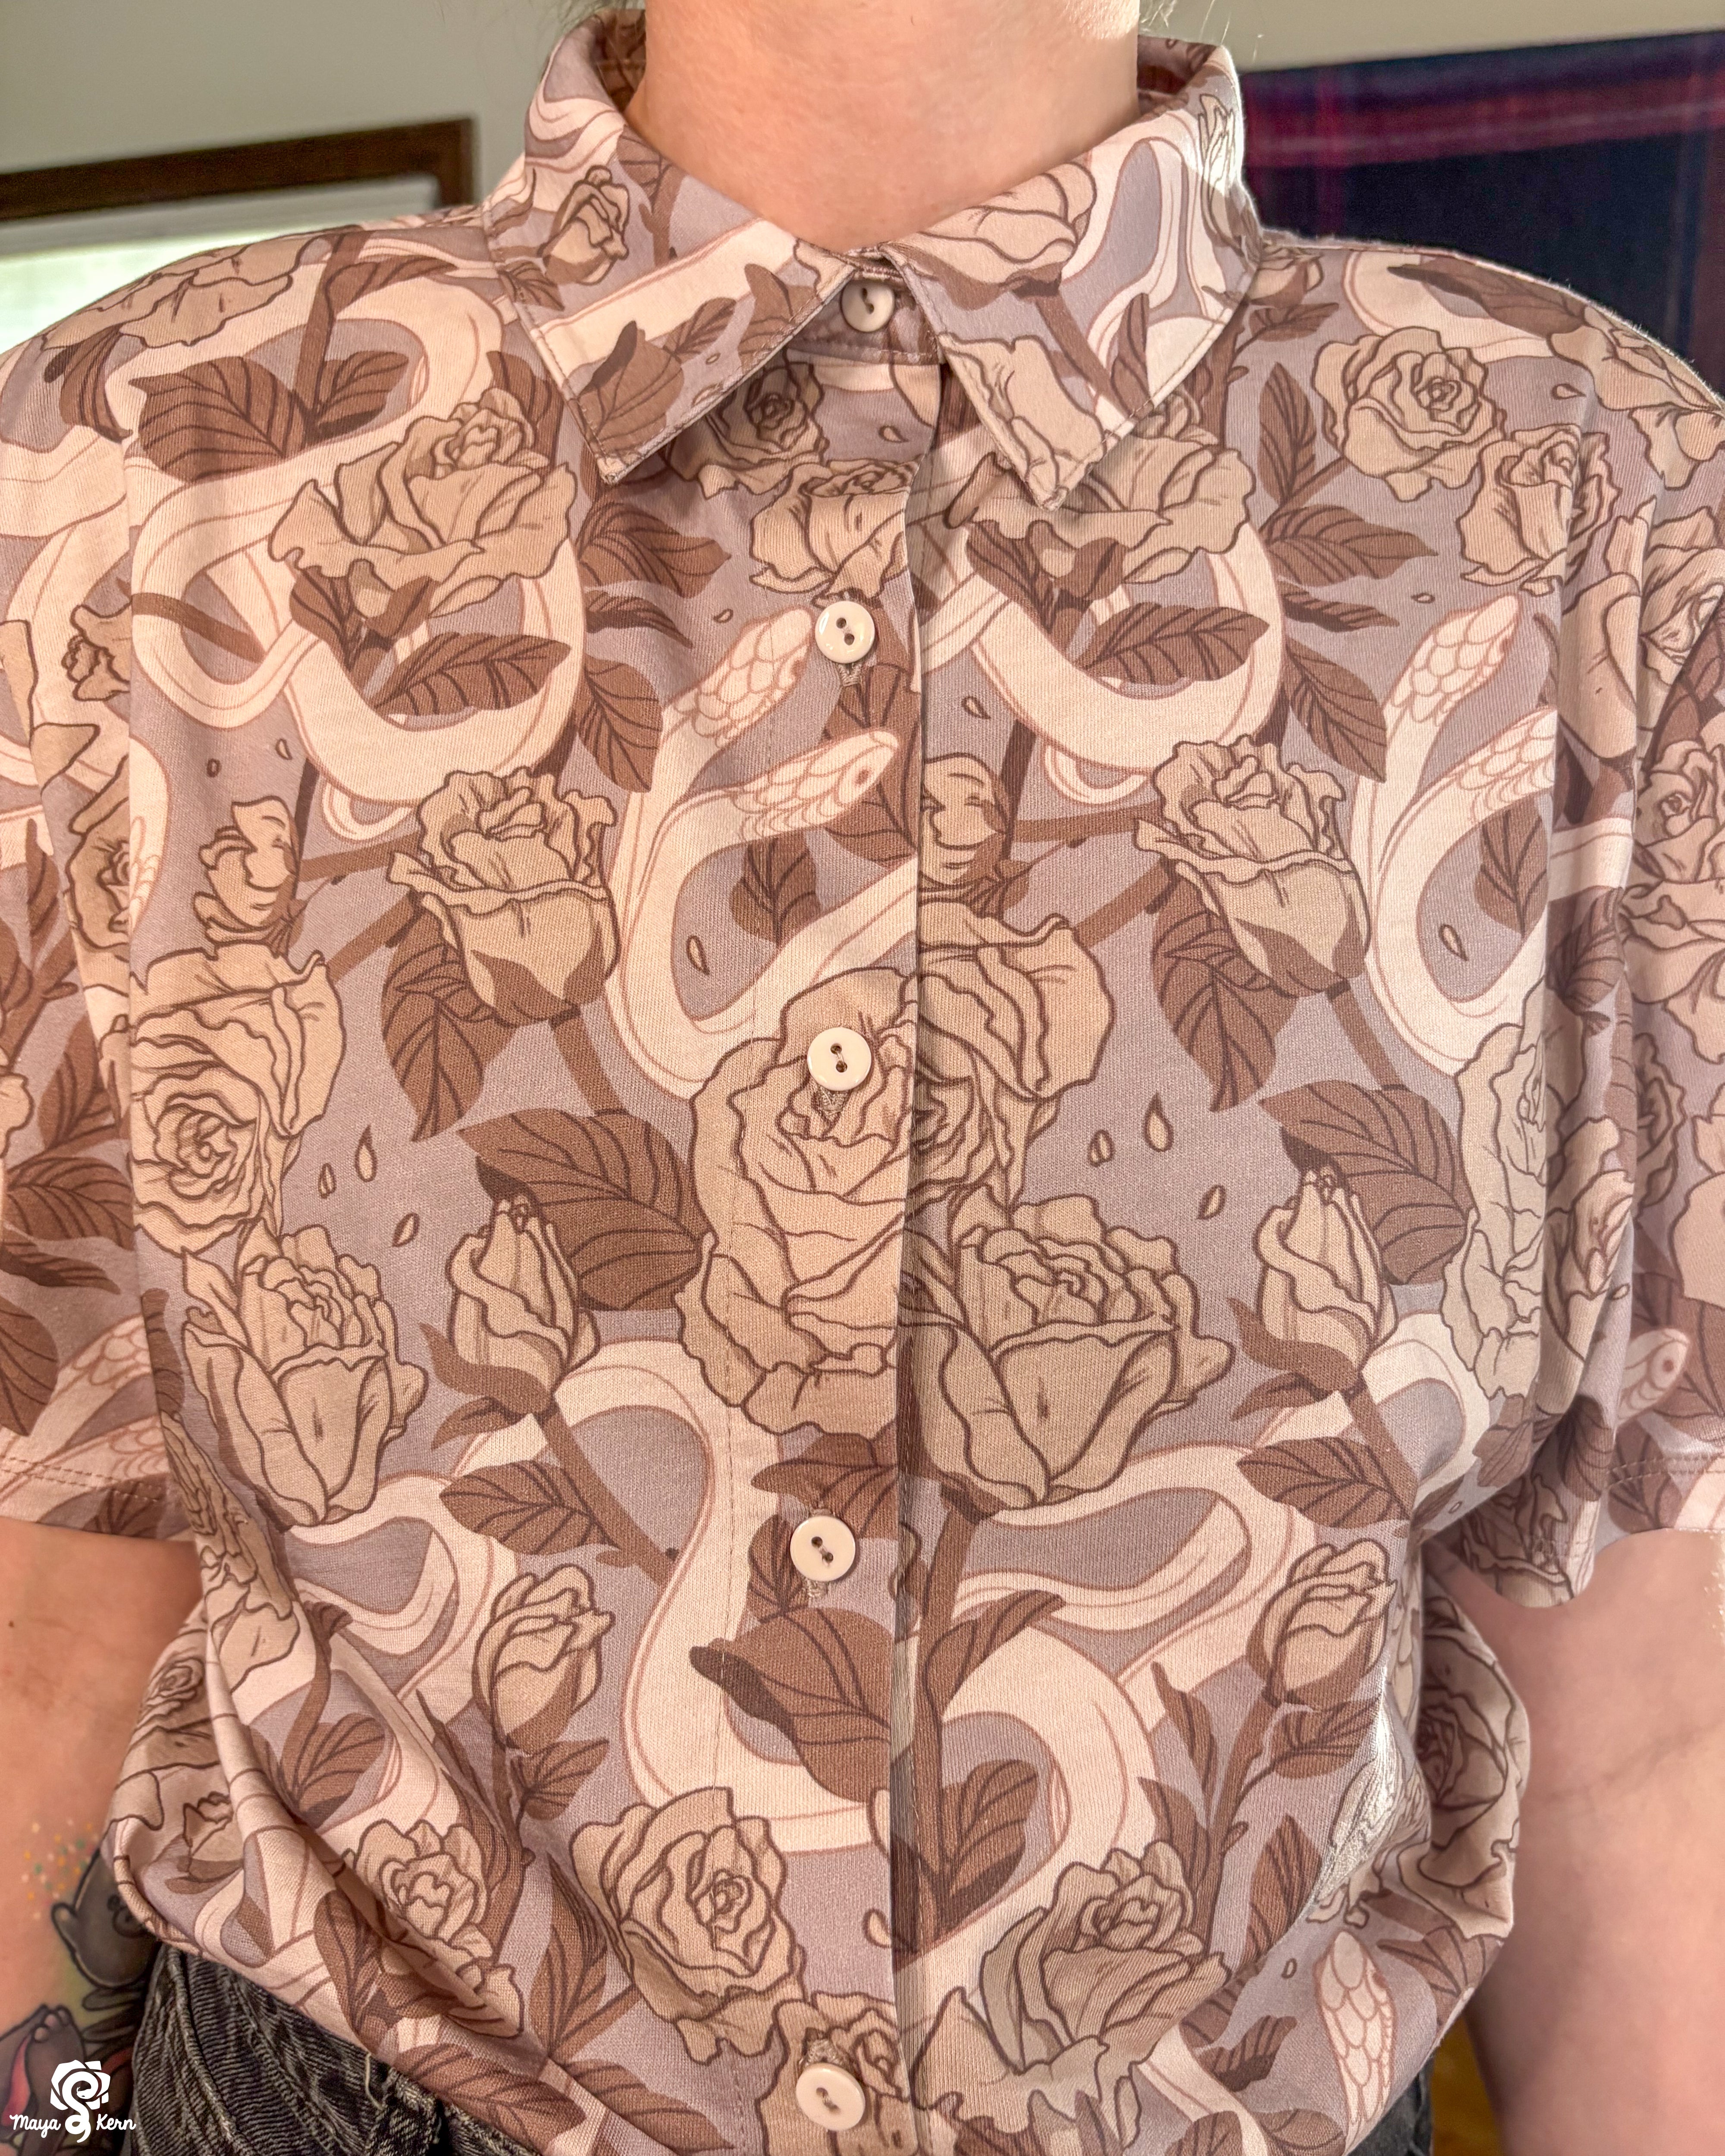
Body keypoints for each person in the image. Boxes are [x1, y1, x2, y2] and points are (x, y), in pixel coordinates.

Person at [2, 1, 1723, 2151]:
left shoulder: (1593, 502)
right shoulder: (127, 476)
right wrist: (52, 2123)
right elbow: (60, 1614)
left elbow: (1638, 1725)